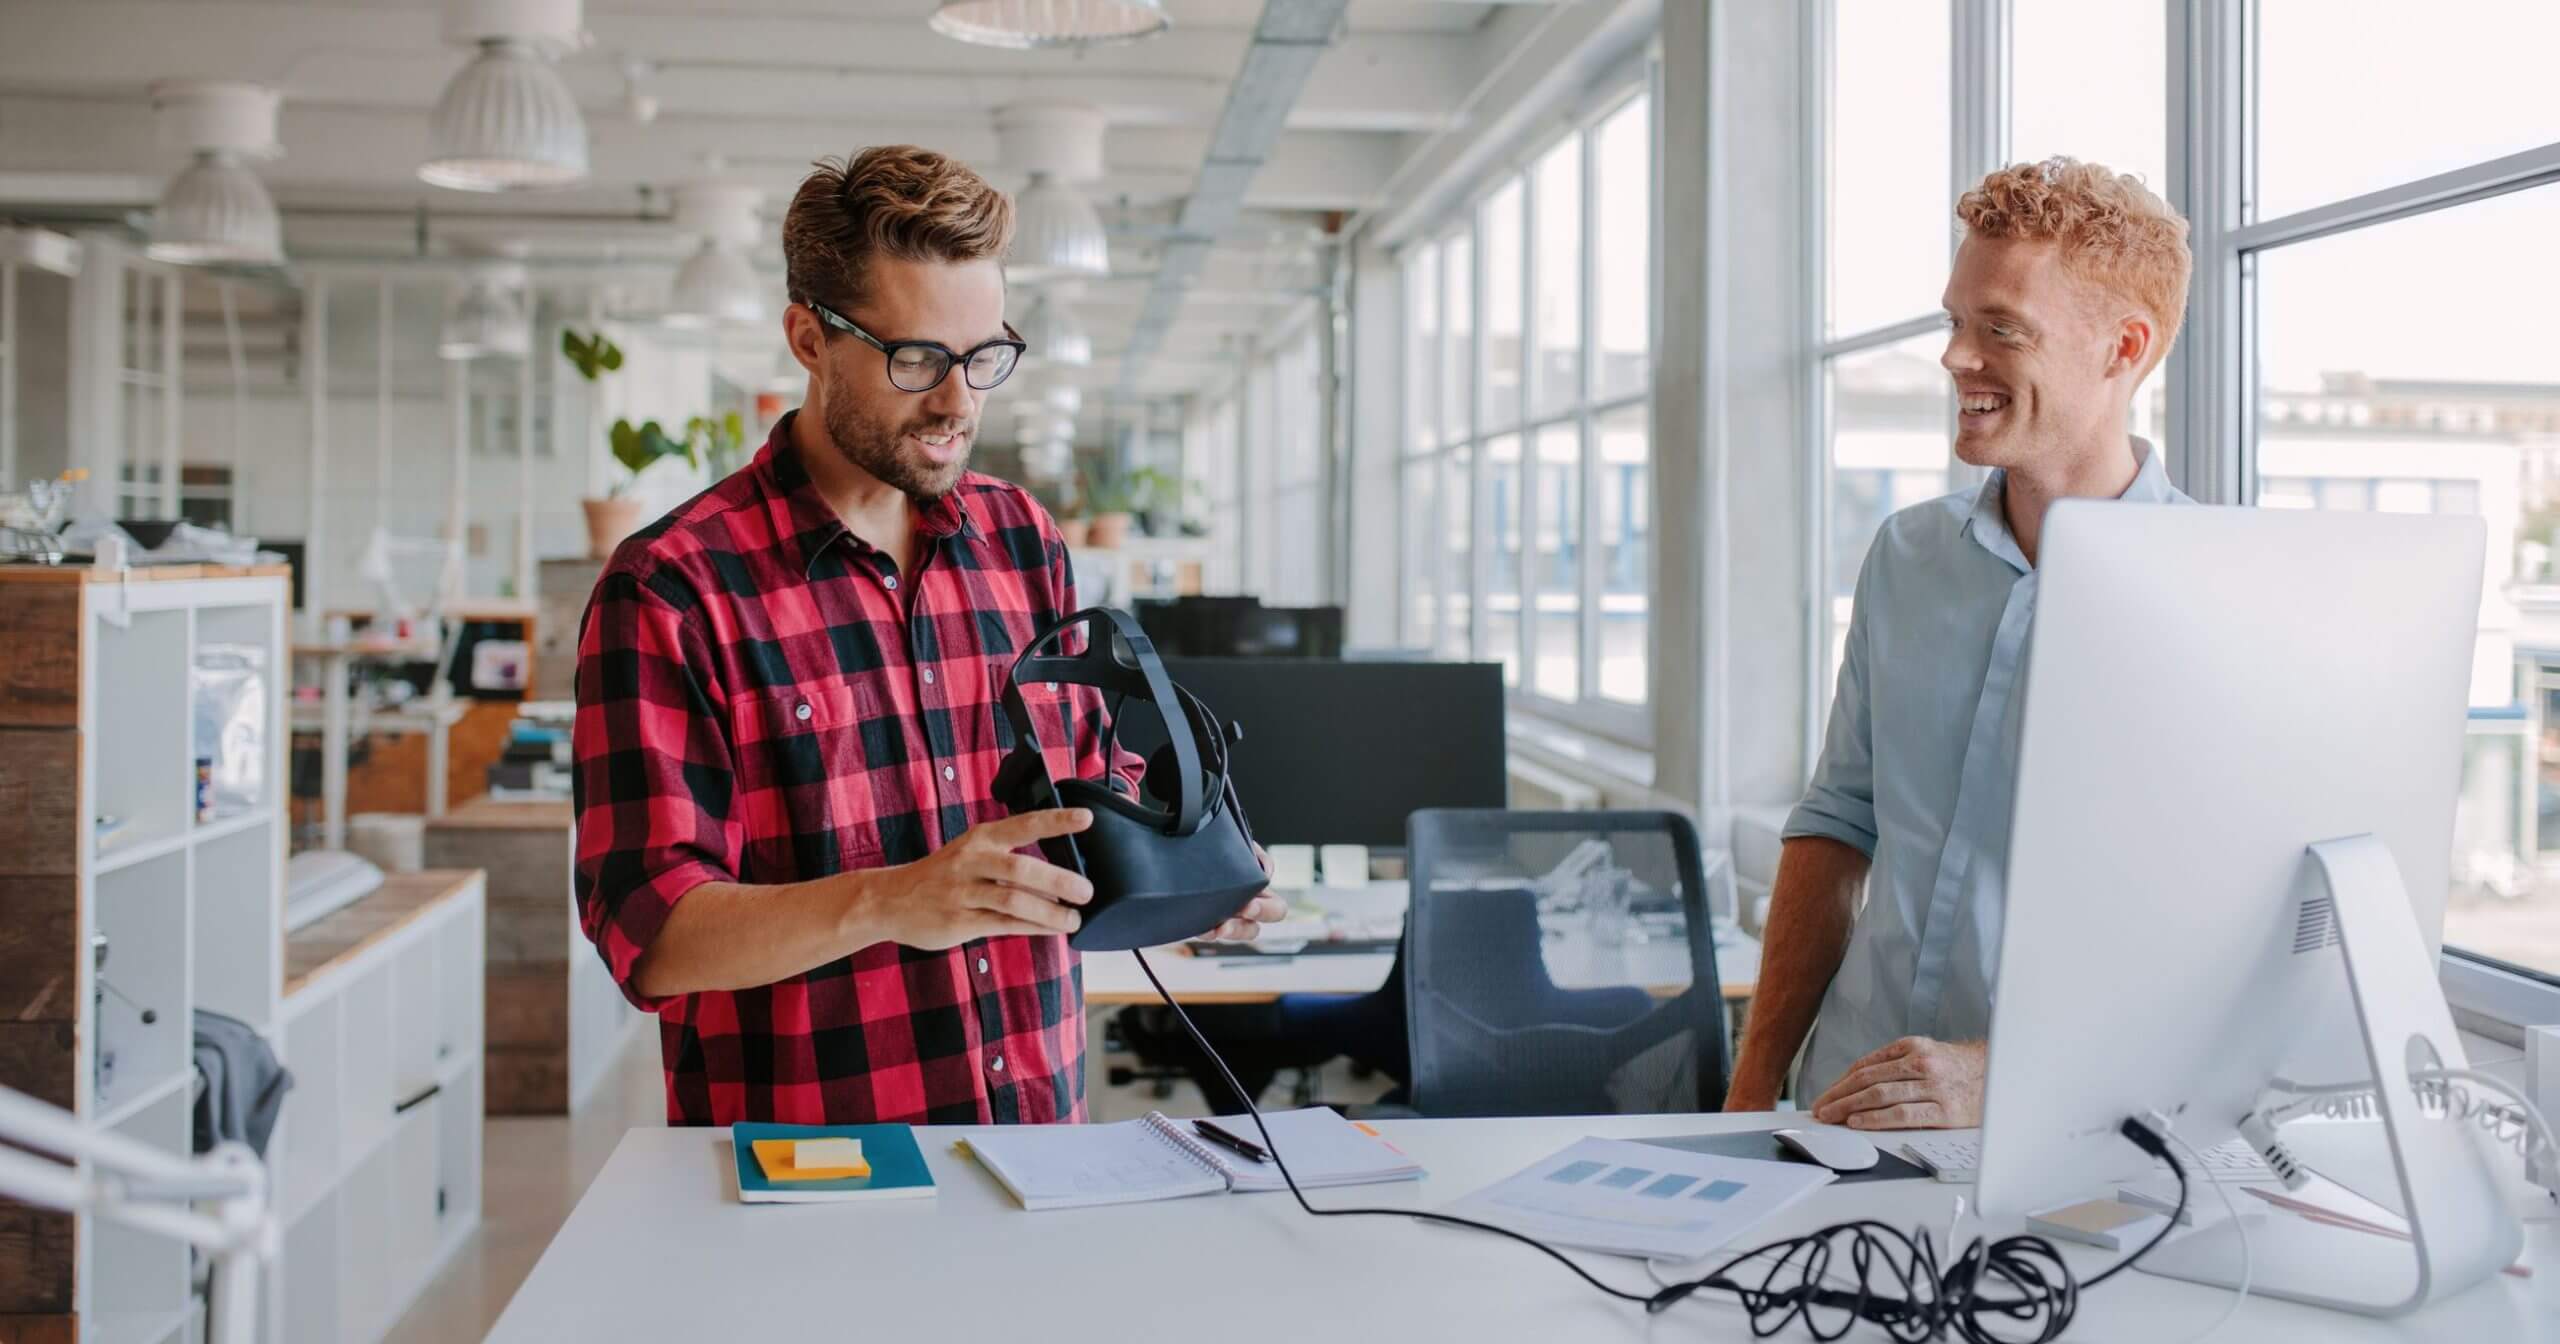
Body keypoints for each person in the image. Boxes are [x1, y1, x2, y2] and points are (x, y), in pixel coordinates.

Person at [571, 145, 1285, 1127]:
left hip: (1038, 1139)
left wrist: (1187, 859)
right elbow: (650, 934)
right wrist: (891, 901)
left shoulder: (1021, 539)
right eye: (917, 360)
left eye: (985, 357)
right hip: (817, 1167)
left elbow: (1081, 783)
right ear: (809, 338)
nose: (959, 403)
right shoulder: (673, 587)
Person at [1722, 158, 2194, 1129]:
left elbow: (2228, 939)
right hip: (1842, 1106)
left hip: (2058, 1132)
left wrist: (2005, 1074)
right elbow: (1837, 822)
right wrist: (1751, 1084)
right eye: (1954, 321)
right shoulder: (1906, 556)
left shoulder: (2210, 597)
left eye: (2001, 330)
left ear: (2123, 348)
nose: (1954, 358)